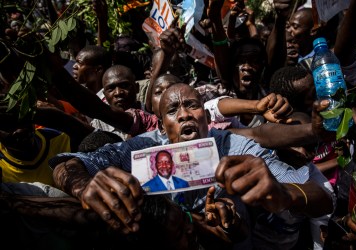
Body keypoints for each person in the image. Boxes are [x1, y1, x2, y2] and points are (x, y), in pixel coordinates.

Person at [50, 83, 334, 249]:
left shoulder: (235, 148)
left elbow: (322, 199)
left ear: (206, 116)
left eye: (192, 106)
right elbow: (67, 164)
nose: (184, 114)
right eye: (173, 111)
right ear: (162, 126)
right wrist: (83, 184)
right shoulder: (142, 149)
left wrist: (285, 195)